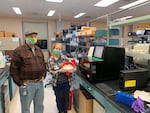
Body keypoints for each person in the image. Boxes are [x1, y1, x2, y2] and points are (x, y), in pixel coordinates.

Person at [10, 31, 46, 113]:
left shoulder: (38, 50)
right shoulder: (19, 50)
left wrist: (44, 75)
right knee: (26, 107)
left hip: (39, 83)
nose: (33, 38)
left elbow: (43, 64)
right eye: (31, 36)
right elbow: (13, 68)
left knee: (39, 106)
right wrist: (19, 83)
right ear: (26, 38)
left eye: (35, 36)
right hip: (27, 84)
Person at [47, 43, 74, 113]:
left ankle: (65, 111)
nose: (58, 50)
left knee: (66, 98)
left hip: (66, 82)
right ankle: (60, 110)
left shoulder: (64, 58)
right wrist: (60, 70)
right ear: (53, 49)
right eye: (56, 48)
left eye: (59, 49)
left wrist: (72, 69)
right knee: (59, 98)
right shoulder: (50, 60)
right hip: (57, 83)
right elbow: (51, 71)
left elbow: (72, 66)